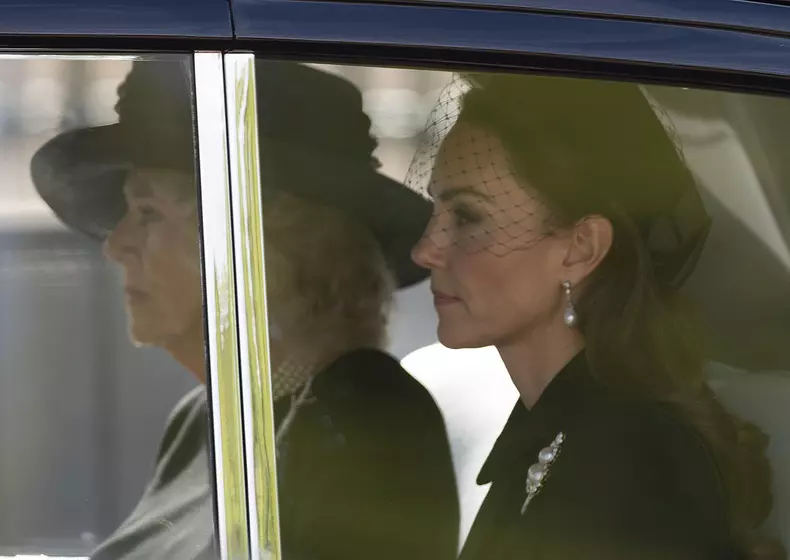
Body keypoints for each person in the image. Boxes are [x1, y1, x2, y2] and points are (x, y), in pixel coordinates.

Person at [31, 59, 459, 560]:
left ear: (256, 248)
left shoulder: (365, 414)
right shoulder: (204, 417)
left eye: (147, 213)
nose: (116, 245)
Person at [409, 73, 782, 559]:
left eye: (467, 218)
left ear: (579, 249)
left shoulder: (632, 464)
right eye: (434, 211)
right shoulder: (560, 430)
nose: (424, 251)